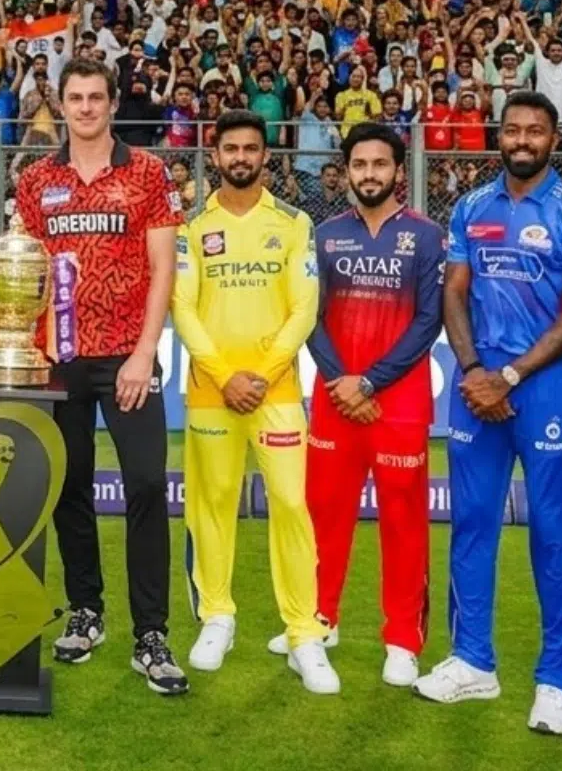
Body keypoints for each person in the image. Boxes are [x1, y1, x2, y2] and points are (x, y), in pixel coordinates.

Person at [416, 91, 562, 734]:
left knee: (555, 533)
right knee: (471, 522)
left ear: (554, 138)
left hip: (544, 384)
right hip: (475, 385)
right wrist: (472, 371)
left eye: (535, 131)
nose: (523, 140)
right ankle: (472, 660)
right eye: (513, 130)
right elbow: (453, 293)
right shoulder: (471, 205)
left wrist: (511, 377)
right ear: (500, 136)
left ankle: (556, 681)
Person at [13, 59, 185, 695]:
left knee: (147, 483)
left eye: (95, 97)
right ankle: (86, 610)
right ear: (60, 105)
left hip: (127, 358)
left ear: (113, 103)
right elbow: (25, 270)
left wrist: (145, 352)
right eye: (75, 97)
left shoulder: (147, 172)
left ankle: (151, 633)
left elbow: (163, 268)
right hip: (58, 357)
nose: (85, 107)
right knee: (69, 487)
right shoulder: (36, 178)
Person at [170, 110, 336, 694]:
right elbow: (182, 307)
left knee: (290, 504)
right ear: (215, 156)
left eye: (250, 148)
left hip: (276, 392)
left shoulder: (293, 222)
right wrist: (224, 376)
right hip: (210, 393)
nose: (240, 157)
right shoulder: (193, 226)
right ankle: (217, 615)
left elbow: (304, 308)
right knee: (212, 504)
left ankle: (303, 633)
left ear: (266, 156)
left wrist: (260, 376)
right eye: (230, 149)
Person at [302, 121, 444, 691]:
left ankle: (402, 641)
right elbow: (309, 316)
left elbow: (429, 320)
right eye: (359, 164)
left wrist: (370, 382)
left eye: (379, 164)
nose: (369, 174)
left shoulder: (426, 236)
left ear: (397, 170)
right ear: (346, 172)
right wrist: (342, 381)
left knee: (404, 525)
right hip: (335, 398)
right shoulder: (324, 235)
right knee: (323, 517)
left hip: (398, 402)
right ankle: (319, 621)